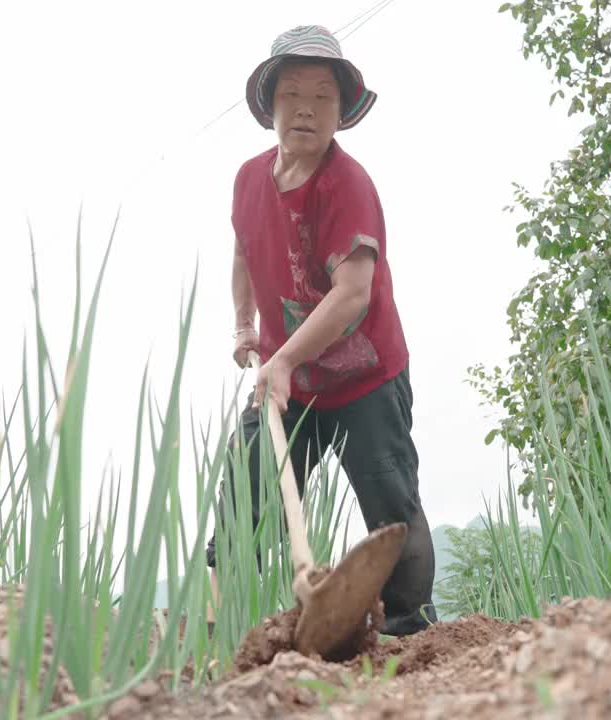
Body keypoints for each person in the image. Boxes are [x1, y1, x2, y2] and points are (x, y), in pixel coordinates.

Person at [204, 24, 437, 637]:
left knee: (392, 503)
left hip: (365, 377)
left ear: (342, 112)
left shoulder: (348, 186)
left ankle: (411, 634)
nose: (306, 108)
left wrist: (280, 361)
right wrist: (243, 327)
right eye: (292, 95)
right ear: (269, 105)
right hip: (291, 382)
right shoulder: (249, 179)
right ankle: (222, 625)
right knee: (248, 494)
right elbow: (242, 253)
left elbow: (352, 295)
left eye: (322, 97)